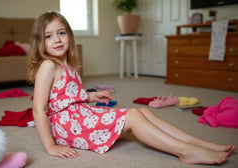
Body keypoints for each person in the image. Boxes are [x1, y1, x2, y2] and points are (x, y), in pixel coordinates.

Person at [27, 11, 235, 165]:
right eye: (48, 36)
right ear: (40, 42)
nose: (56, 39)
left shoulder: (68, 65)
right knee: (134, 116)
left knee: (142, 111)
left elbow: (69, 97)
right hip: (67, 126)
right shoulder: (48, 65)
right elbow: (39, 108)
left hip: (80, 115)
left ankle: (199, 143)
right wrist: (50, 146)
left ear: (69, 36)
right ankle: (185, 151)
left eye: (61, 33)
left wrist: (92, 96)